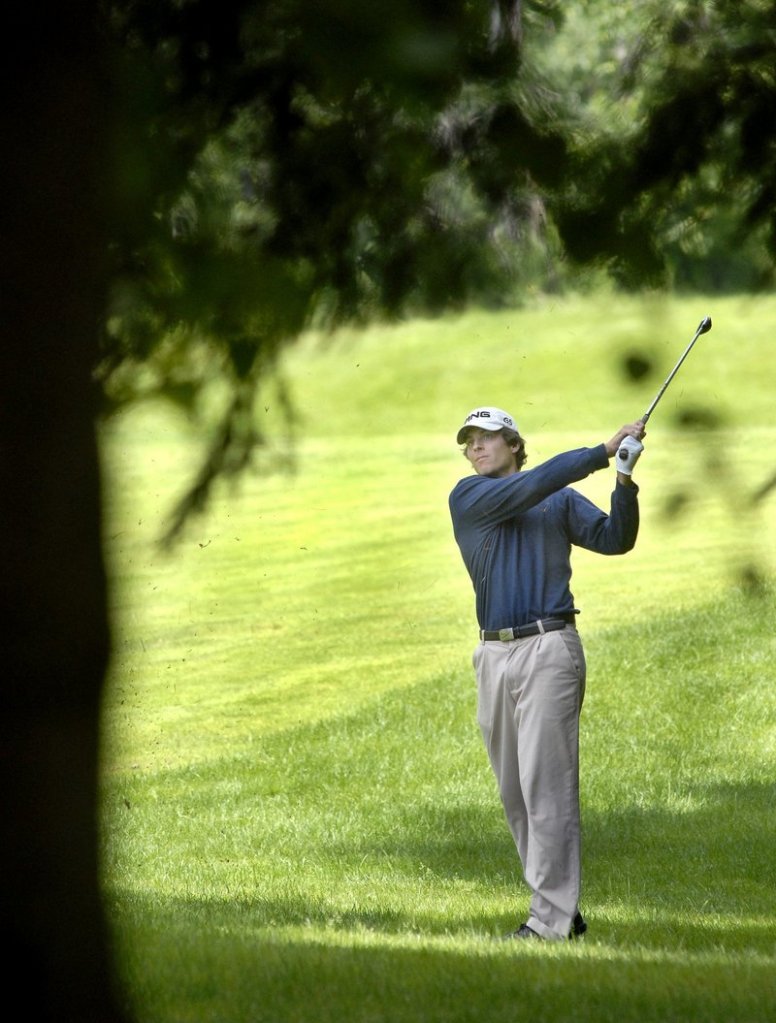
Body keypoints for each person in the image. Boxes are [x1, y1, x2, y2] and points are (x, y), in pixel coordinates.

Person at [448, 406, 645, 941]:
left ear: (513, 443)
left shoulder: (554, 497)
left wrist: (622, 478)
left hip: (549, 647)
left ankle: (550, 921)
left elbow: (613, 538)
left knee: (545, 787)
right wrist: (599, 453)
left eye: (486, 439)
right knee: (515, 791)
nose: (475, 449)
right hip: (492, 654)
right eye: (468, 442)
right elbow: (535, 485)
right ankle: (560, 905)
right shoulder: (469, 499)